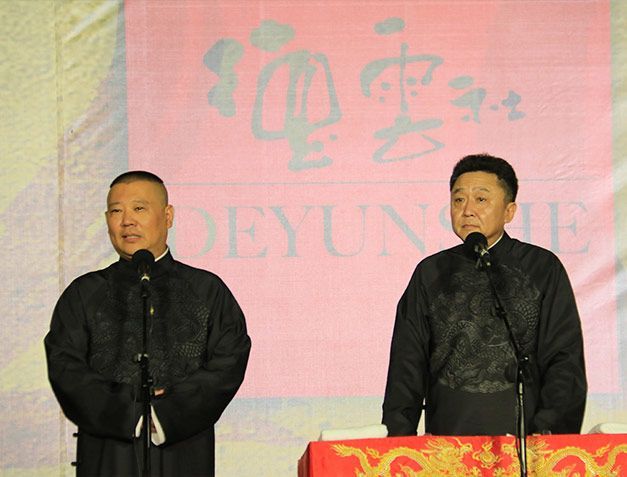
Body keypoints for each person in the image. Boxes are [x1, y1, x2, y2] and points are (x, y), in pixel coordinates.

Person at [45, 171, 251, 476]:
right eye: (116, 211)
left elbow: (228, 361)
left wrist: (165, 414)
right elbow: (65, 366)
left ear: (168, 216)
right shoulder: (84, 293)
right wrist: (130, 414)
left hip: (182, 448)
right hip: (107, 451)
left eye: (139, 208)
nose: (127, 221)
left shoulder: (206, 290)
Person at [382, 153, 587, 437]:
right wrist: (398, 442)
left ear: (509, 211)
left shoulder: (541, 267)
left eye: (481, 199)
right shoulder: (430, 273)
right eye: (458, 200)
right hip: (447, 443)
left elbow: (563, 360)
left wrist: (549, 434)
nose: (467, 210)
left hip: (527, 444)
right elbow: (407, 367)